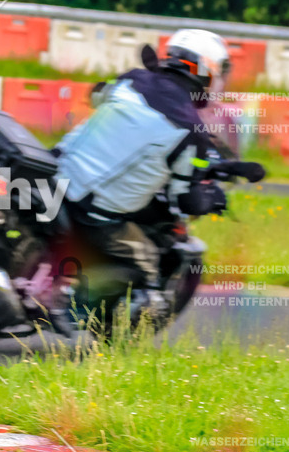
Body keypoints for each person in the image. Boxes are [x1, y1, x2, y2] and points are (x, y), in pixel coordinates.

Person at [54, 28, 264, 318]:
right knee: (146, 261)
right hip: (91, 210)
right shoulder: (191, 131)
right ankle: (69, 311)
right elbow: (184, 199)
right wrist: (209, 198)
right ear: (209, 72)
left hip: (56, 172)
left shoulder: (131, 79)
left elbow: (99, 98)